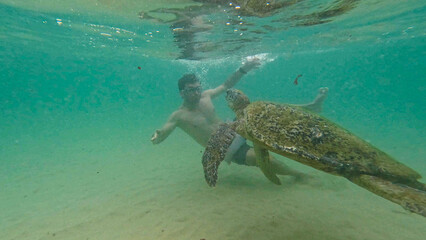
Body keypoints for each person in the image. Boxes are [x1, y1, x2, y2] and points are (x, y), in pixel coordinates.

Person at [150, 58, 329, 180]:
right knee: (265, 161)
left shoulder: (206, 96)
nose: (196, 92)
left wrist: (244, 69)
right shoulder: (178, 115)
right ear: (182, 93)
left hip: (235, 127)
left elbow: (227, 84)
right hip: (227, 148)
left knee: (266, 113)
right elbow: (166, 129)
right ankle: (300, 176)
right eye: (191, 90)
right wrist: (159, 136)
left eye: (198, 88)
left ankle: (310, 107)